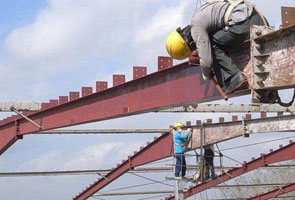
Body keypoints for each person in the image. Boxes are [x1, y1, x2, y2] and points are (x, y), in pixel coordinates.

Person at [166, 0, 268, 94]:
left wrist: (206, 74)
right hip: (258, 18)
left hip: (245, 23)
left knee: (210, 45)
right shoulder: (202, 12)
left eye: (193, 48)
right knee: (217, 40)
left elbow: (206, 60)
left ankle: (234, 78)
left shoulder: (196, 27)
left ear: (191, 44)